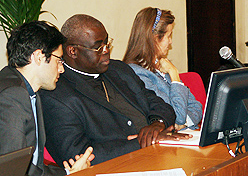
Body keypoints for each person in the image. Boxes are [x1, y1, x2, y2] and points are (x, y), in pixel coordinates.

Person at [39, 14, 188, 166]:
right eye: (98, 47)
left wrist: (158, 123)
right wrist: (144, 142)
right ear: (72, 51)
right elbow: (77, 156)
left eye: (107, 43)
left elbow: (159, 104)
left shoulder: (119, 69)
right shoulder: (56, 94)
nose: (106, 50)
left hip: (158, 157)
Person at [0, 21, 94, 176]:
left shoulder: (28, 92)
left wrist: (68, 173)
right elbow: (12, 171)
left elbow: (33, 168)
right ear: (38, 57)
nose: (62, 69)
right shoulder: (12, 96)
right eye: (59, 60)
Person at [123, 7, 202, 130]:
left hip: (186, 136)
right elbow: (177, 116)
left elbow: (196, 107)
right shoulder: (138, 74)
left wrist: (182, 124)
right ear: (154, 39)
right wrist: (174, 74)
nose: (170, 42)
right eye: (168, 36)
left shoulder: (162, 65)